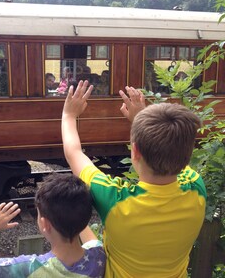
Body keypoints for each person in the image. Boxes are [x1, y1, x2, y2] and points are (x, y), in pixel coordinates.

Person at [61, 80, 206, 277]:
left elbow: (74, 154)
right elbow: (174, 149)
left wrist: (69, 115)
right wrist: (141, 118)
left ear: (135, 151)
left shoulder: (115, 199)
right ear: (187, 154)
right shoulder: (196, 187)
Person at [0, 172, 106, 278]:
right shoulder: (98, 255)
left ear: (44, 224)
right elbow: (90, 237)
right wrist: (76, 215)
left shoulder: (29, 268)